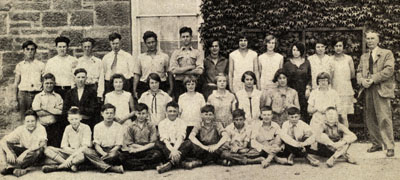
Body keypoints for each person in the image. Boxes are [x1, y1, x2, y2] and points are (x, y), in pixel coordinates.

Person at [356, 30, 395, 157]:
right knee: (370, 117)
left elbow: (389, 70)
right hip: (368, 89)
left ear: (378, 40)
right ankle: (376, 143)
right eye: (368, 39)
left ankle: (389, 146)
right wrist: (362, 80)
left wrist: (373, 78)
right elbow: (359, 71)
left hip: (381, 89)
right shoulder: (364, 57)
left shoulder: (387, 54)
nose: (370, 41)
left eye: (372, 38)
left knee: (384, 117)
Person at [41, 107, 91, 173]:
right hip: (69, 152)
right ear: (68, 119)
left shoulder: (86, 127)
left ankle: (58, 167)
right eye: (72, 119)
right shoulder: (68, 128)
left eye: (76, 119)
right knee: (48, 149)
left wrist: (71, 157)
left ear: (80, 118)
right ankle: (69, 165)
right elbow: (63, 146)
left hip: (80, 153)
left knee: (82, 156)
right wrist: (69, 154)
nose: (74, 121)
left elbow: (85, 147)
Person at [0, 110, 47, 177]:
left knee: (39, 151)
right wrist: (9, 152)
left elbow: (42, 144)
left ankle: (11, 168)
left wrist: (25, 153)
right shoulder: (21, 129)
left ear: (37, 121)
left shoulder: (41, 128)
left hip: (36, 154)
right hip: (24, 152)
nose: (30, 123)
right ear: (24, 122)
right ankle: (13, 167)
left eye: (33, 121)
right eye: (28, 121)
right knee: (4, 145)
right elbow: (3, 140)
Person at [82, 103, 124, 173]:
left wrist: (109, 153)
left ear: (114, 114)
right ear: (102, 114)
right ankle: (112, 168)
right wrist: (103, 154)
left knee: (115, 155)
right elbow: (96, 144)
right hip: (101, 151)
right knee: (86, 151)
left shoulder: (119, 127)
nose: (109, 115)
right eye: (107, 113)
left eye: (111, 113)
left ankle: (98, 164)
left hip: (112, 151)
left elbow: (118, 145)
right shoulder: (97, 126)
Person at [119, 103, 162, 171]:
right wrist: (137, 149)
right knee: (122, 157)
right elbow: (130, 143)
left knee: (157, 154)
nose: (141, 116)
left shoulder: (151, 125)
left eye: (143, 113)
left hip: (148, 149)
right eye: (139, 113)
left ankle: (137, 165)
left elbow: (153, 143)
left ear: (147, 114)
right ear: (135, 113)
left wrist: (140, 149)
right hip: (134, 148)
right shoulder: (131, 126)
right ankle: (150, 166)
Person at [185, 105, 229, 169]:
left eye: (210, 114)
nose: (208, 117)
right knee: (190, 143)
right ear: (202, 116)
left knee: (224, 146)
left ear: (214, 115)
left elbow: (225, 136)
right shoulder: (199, 124)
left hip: (215, 148)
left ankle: (200, 162)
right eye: (206, 114)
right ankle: (216, 160)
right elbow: (191, 136)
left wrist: (216, 146)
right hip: (203, 149)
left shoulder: (217, 124)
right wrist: (204, 147)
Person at [12, 40, 45, 121]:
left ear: (35, 51)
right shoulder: (20, 65)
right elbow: (16, 83)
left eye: (32, 49)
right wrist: (15, 99)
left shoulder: (41, 65)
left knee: (37, 118)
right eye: (27, 49)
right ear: (24, 51)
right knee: (24, 118)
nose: (30, 51)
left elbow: (44, 81)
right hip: (23, 95)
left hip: (37, 94)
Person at [134, 31, 173, 99]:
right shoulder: (140, 57)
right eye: (149, 43)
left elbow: (169, 73)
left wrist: (171, 89)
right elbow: (137, 75)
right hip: (145, 86)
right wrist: (134, 90)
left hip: (161, 85)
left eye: (153, 42)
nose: (151, 44)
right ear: (145, 44)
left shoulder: (164, 57)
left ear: (156, 42)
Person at [155, 101, 192, 173]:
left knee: (188, 143)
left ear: (178, 112)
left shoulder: (182, 122)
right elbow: (165, 140)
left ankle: (170, 164)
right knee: (157, 143)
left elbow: (180, 138)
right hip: (168, 146)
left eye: (174, 111)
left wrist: (175, 149)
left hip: (178, 146)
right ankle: (180, 163)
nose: (172, 113)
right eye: (170, 111)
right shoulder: (162, 123)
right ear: (166, 112)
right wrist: (172, 150)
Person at [169, 26, 204, 99]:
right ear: (180, 38)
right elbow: (173, 70)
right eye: (183, 36)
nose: (185, 38)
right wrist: (190, 67)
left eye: (187, 36)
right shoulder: (176, 53)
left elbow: (200, 71)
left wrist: (181, 71)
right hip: (179, 84)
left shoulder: (197, 53)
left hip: (193, 83)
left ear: (191, 37)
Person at [98, 32, 136, 98]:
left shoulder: (127, 56)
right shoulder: (106, 57)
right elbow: (102, 75)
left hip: (124, 84)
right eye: (113, 44)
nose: (115, 46)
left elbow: (132, 73)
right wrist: (100, 92)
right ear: (110, 44)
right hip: (110, 84)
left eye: (117, 43)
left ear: (120, 43)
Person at [308, 72, 340, 145]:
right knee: (316, 139)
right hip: (317, 119)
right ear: (318, 82)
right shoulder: (314, 93)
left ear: (328, 81)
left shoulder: (333, 93)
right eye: (321, 80)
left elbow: (338, 109)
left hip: (330, 119)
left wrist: (331, 113)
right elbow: (309, 109)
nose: (323, 82)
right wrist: (317, 109)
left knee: (331, 138)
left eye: (325, 80)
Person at [330, 37, 356, 128]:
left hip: (346, 90)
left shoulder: (348, 59)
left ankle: (346, 137)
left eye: (340, 45)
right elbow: (329, 76)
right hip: (334, 90)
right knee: (334, 116)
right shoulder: (330, 59)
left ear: (343, 47)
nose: (338, 48)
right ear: (333, 47)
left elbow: (352, 75)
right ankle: (336, 138)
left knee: (344, 116)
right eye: (336, 46)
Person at [31, 73, 63, 147]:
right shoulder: (38, 97)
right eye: (47, 83)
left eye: (51, 83)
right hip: (42, 127)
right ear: (43, 83)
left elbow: (60, 112)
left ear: (54, 83)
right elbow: (38, 113)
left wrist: (45, 108)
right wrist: (54, 110)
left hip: (54, 128)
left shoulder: (58, 96)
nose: (49, 85)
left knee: (54, 148)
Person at [283, 42, 312, 123]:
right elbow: (284, 79)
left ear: (301, 51)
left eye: (297, 50)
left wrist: (308, 88)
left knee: (304, 111)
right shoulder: (287, 64)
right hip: (292, 91)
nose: (295, 52)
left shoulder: (306, 62)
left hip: (304, 92)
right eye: (294, 50)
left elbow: (310, 77)